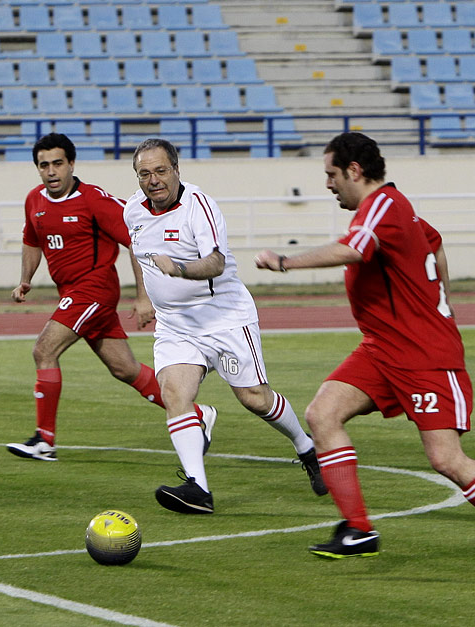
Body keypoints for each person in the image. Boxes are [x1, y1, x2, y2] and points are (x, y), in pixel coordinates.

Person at [255, 132, 475, 576]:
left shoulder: (382, 205)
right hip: (381, 349)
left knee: (446, 459)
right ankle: (359, 529)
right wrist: (443, 298)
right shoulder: (392, 210)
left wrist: (284, 261)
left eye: (332, 174)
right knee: (322, 413)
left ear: (355, 170)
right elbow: (434, 240)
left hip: (424, 355)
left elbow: (354, 250)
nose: (328, 184)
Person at [123, 138, 324, 515]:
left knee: (254, 398)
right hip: (175, 324)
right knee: (174, 393)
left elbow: (215, 262)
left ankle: (307, 448)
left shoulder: (199, 206)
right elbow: (138, 251)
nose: (153, 180)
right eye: (144, 174)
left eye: (161, 171)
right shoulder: (133, 210)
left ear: (176, 169)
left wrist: (179, 268)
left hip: (224, 318)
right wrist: (144, 295)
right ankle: (198, 489)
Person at [7, 133, 215, 462]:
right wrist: (25, 280)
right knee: (124, 369)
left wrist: (143, 296)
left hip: (95, 289)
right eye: (44, 165)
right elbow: (32, 240)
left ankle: (44, 440)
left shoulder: (93, 200)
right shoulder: (34, 200)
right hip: (72, 294)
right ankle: (199, 414)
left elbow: (138, 239)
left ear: (71, 164)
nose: (51, 171)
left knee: (44, 350)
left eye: (58, 163)